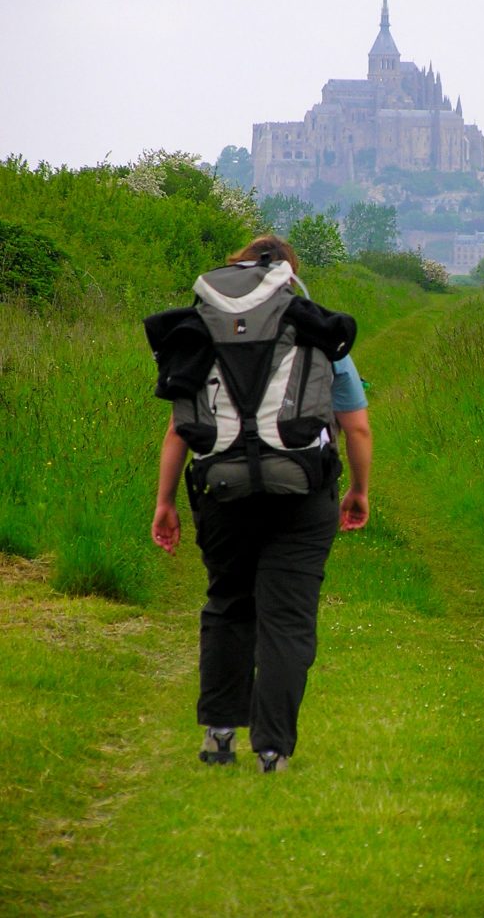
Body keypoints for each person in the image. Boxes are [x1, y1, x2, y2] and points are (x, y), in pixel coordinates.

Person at [150, 236, 372, 774]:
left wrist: (164, 502)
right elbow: (357, 427)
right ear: (287, 277)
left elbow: (180, 429)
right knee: (287, 618)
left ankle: (220, 734)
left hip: (221, 489)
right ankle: (272, 749)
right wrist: (358, 490)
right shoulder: (310, 329)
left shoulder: (200, 328)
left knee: (228, 602)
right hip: (302, 489)